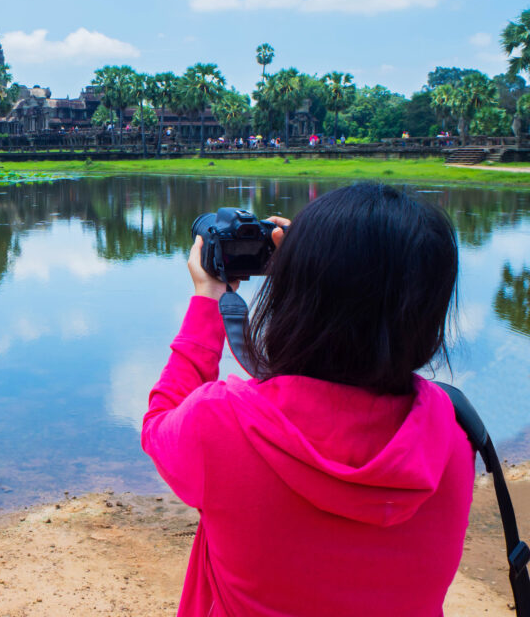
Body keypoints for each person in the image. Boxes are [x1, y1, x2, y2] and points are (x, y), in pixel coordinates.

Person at [142, 183, 469, 617]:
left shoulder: (221, 424)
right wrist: (325, 264)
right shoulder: (450, 438)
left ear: (299, 290)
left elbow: (159, 423)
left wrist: (208, 301)